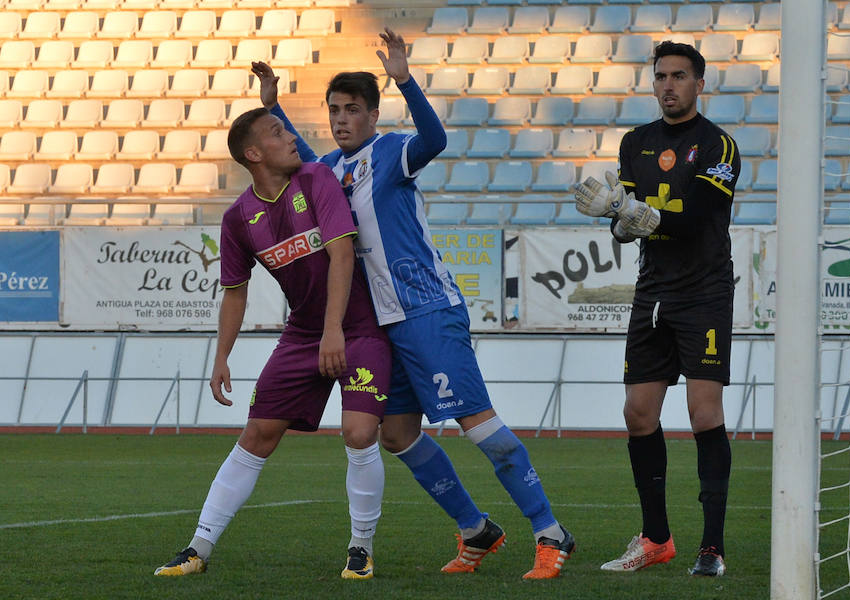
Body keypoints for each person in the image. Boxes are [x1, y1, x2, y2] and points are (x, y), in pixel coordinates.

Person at [250, 28, 574, 580]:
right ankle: (477, 530)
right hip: (380, 325)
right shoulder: (329, 168)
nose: (342, 119)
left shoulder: (393, 150)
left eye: (352, 110)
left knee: (478, 426)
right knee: (396, 434)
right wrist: (274, 107)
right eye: (334, 110)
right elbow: (302, 161)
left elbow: (436, 139)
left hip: (427, 311)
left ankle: (550, 532)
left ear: (374, 115)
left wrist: (404, 78)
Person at [153, 107, 392, 580]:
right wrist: (221, 356)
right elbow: (234, 293)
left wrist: (333, 331)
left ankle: (360, 550)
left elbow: (342, 255)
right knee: (256, 436)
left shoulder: (317, 179)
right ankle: (197, 549)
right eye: (278, 132)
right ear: (254, 153)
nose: (292, 138)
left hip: (358, 328)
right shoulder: (238, 218)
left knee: (360, 434)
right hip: (304, 333)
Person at [574, 41, 740, 577]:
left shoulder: (720, 146)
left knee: (702, 413)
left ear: (699, 83)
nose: (669, 85)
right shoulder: (635, 143)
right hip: (653, 293)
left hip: (705, 292)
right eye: (661, 76)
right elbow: (625, 233)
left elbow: (694, 219)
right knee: (637, 413)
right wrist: (616, 215)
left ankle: (711, 547)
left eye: (679, 76)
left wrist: (627, 210)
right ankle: (656, 539)